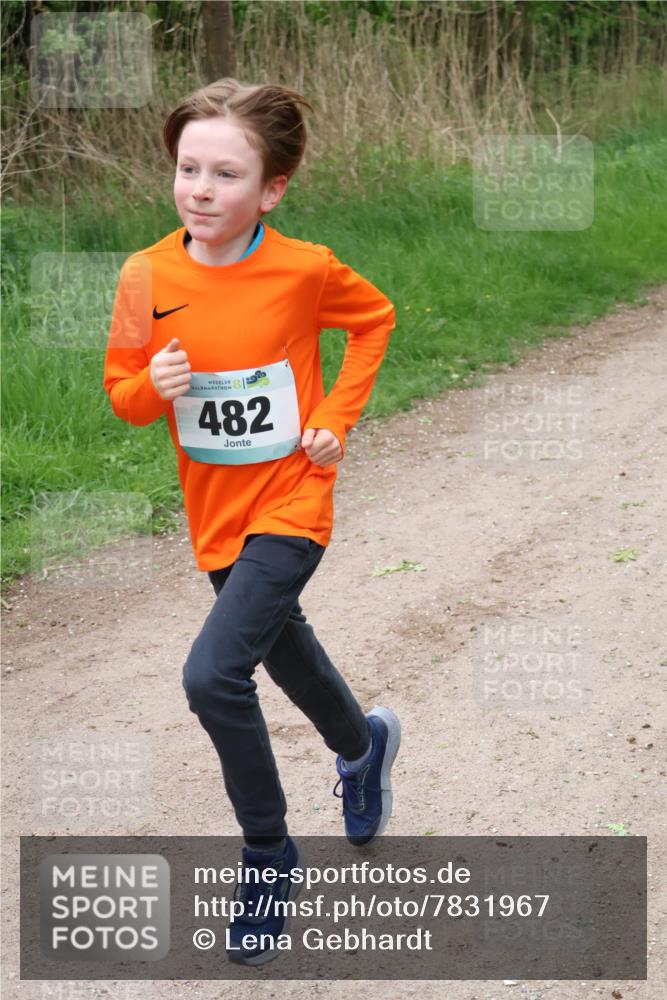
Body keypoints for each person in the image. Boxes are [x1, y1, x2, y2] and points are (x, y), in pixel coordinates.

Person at [103, 78, 401, 966]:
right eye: (187, 168)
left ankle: (267, 853)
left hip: (293, 499)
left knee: (211, 676)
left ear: (270, 189)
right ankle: (361, 745)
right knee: (279, 646)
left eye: (224, 174)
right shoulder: (144, 275)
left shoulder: (304, 268)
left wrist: (337, 419)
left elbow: (374, 319)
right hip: (215, 514)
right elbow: (121, 396)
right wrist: (148, 390)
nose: (199, 188)